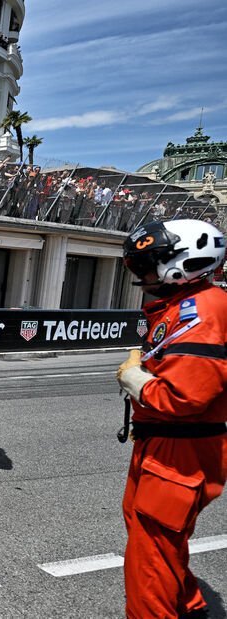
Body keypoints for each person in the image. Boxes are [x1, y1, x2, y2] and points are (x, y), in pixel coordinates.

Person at [116, 219, 227, 619]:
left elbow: (187, 397)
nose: (141, 274)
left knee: (151, 556)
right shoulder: (186, 305)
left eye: (147, 265)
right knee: (154, 538)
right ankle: (190, 606)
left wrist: (136, 381)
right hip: (167, 442)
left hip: (180, 447)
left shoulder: (203, 310)